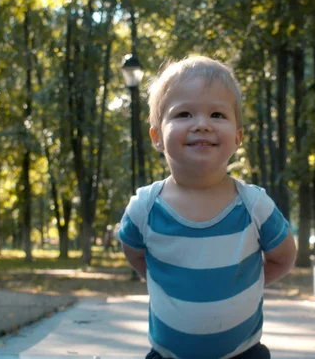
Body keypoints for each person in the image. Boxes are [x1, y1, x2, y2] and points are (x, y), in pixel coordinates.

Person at [118, 56, 297, 359]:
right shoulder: (144, 208)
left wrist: (243, 284)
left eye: (217, 114)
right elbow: (133, 251)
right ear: (157, 137)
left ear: (238, 137)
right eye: (184, 114)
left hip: (243, 354)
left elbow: (284, 256)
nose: (202, 125)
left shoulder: (254, 206)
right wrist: (162, 280)